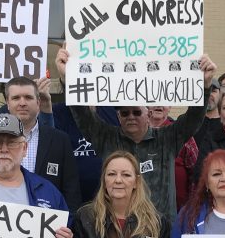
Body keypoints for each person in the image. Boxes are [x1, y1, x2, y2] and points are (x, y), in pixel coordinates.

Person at [55, 47, 215, 217]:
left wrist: (205, 86)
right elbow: (83, 116)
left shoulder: (167, 138)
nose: (130, 117)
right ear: (118, 115)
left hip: (160, 231)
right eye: (124, 113)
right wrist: (68, 78)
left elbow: (193, 118)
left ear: (149, 113)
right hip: (117, 229)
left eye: (136, 112)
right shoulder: (107, 138)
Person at [0, 76, 81, 211]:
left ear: (38, 102)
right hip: (2, 221)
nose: (22, 103)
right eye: (16, 98)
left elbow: (71, 190)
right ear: (7, 103)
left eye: (28, 97)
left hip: (47, 225)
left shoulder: (60, 140)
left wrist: (68, 224)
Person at [145, 104, 200, 211]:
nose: (158, 105)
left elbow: (196, 175)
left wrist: (191, 209)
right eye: (153, 100)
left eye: (163, 101)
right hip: (143, 212)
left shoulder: (182, 135)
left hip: (178, 213)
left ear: (170, 107)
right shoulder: (136, 134)